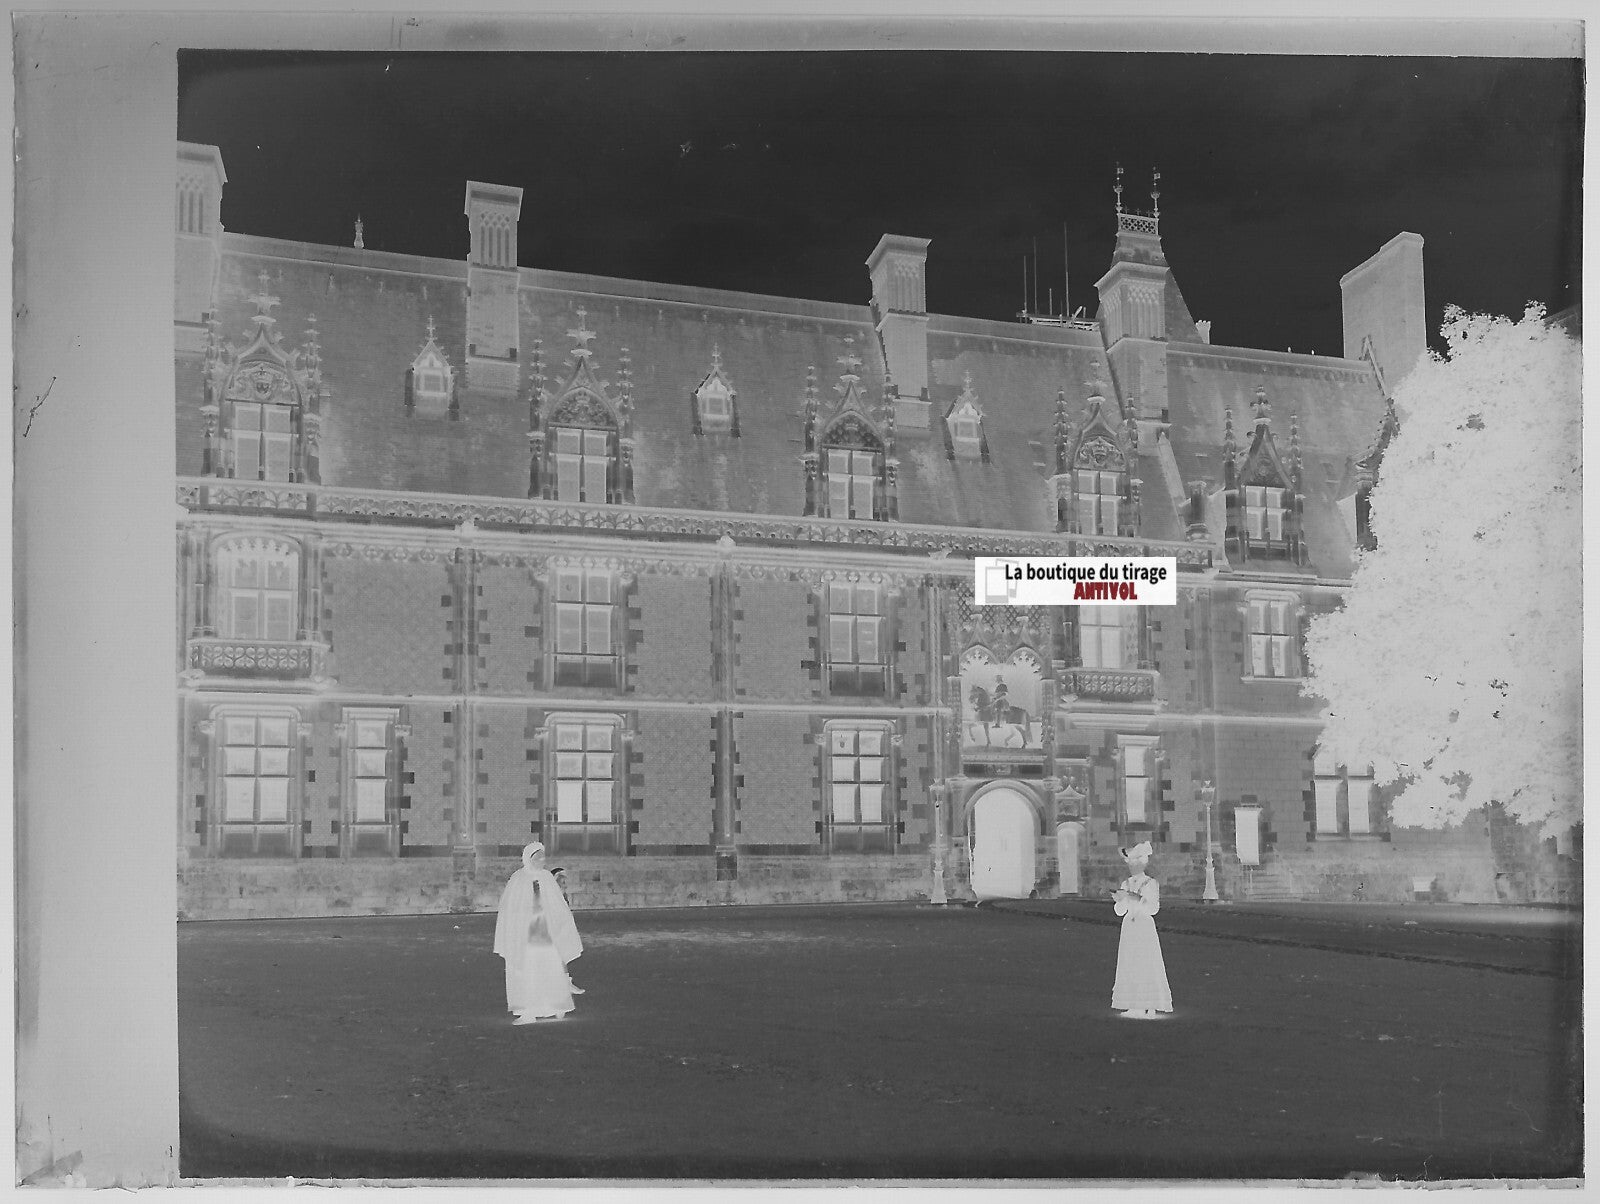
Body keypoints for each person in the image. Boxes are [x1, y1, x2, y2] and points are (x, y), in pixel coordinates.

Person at [493, 842, 584, 1024]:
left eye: (543, 857)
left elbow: (557, 905)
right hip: (526, 935)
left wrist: (558, 924)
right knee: (526, 970)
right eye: (537, 858)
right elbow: (510, 907)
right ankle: (528, 1011)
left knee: (550, 968)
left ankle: (556, 1005)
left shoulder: (547, 878)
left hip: (545, 932)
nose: (542, 861)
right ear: (529, 858)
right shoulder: (518, 879)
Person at [1110, 841, 1172, 1019]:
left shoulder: (1150, 883)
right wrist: (1120, 900)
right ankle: (1133, 1003)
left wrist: (1137, 899)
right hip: (1129, 927)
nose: (1132, 866)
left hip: (1144, 927)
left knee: (1146, 962)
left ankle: (1149, 1004)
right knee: (1130, 963)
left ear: (1142, 863)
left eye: (1135, 862)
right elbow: (1120, 911)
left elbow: (1153, 909)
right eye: (1130, 862)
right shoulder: (1126, 883)